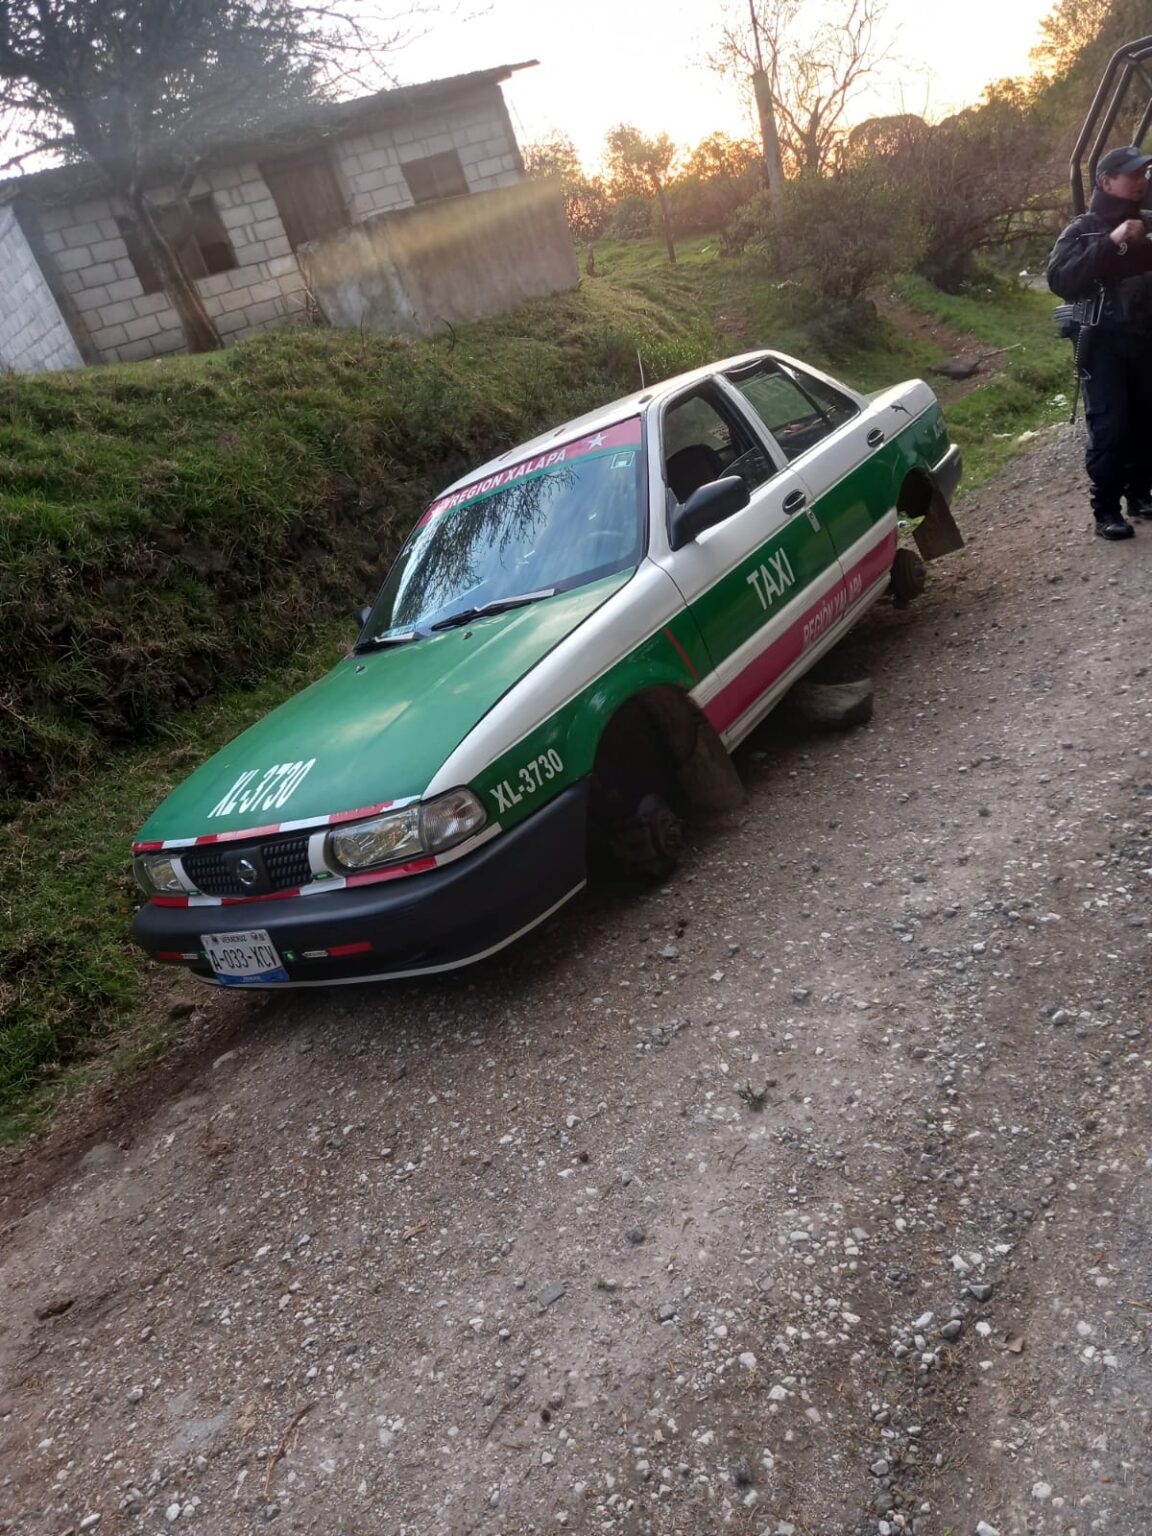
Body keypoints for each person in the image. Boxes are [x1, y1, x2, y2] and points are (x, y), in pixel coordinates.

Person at [1048, 144, 1152, 541]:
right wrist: (1111, 242)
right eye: (1132, 174)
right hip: (1104, 342)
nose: (1140, 181)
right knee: (1112, 425)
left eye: (1144, 173)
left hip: (1146, 339)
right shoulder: (1082, 230)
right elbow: (1061, 280)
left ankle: (1140, 494)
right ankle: (1106, 509)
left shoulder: (1149, 222)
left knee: (1147, 418)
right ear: (1107, 181)